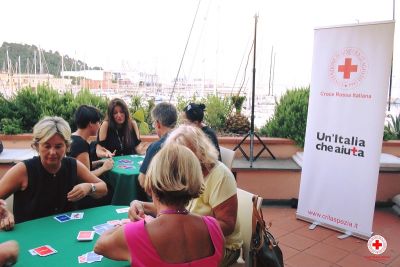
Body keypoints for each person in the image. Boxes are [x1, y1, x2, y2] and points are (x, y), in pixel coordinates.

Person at [94, 143, 224, 266]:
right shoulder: (213, 227)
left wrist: (126, 225)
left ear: (150, 186)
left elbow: (99, 246)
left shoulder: (136, 234)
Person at [130, 125, 242, 267]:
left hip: (221, 246)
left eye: (184, 153)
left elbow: (227, 225)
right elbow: (171, 209)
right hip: (189, 238)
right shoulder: (183, 172)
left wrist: (183, 229)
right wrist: (141, 205)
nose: (179, 158)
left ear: (200, 152)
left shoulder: (220, 176)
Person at [0, 116, 107, 230]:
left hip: (66, 231)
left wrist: (89, 187)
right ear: (37, 146)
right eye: (47, 146)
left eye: (58, 146)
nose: (52, 152)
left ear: (67, 146)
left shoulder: (73, 165)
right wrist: (4, 213)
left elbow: (103, 188)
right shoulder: (23, 170)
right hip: (30, 236)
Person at [138, 102, 177, 187]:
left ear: (158, 124)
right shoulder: (186, 140)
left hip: (164, 196)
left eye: (154, 123)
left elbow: (142, 181)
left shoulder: (156, 147)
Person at [69, 105, 114, 177]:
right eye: (98, 122)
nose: (99, 126)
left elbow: (81, 167)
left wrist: (100, 162)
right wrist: (104, 168)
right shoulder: (81, 144)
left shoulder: (72, 137)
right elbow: (85, 176)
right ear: (90, 124)